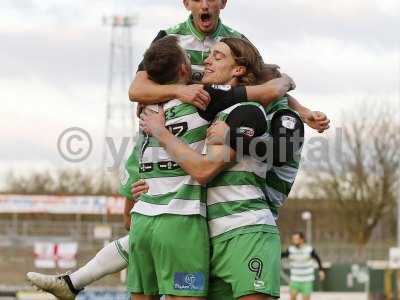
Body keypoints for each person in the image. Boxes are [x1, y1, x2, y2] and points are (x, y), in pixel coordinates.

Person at [129, 36, 294, 300]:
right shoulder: (208, 109)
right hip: (210, 236)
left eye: (217, 57)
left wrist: (290, 95)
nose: (205, 59)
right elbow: (141, 88)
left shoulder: (246, 111)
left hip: (245, 228)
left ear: (238, 69)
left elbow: (205, 171)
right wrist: (155, 184)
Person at [130, 0, 330, 133]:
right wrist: (180, 91)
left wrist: (304, 113)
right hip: (168, 129)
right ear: (186, 3)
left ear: (224, 2)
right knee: (134, 189)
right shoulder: (169, 38)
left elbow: (261, 86)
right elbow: (136, 90)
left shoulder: (238, 41)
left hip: (215, 132)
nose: (205, 5)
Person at [26, 146, 141, 300]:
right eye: (139, 119)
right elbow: (128, 221)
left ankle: (72, 283)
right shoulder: (141, 147)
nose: (141, 121)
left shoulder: (179, 137)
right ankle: (72, 283)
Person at [281, 232, 325, 300]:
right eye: (293, 239)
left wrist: (321, 270)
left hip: (307, 279)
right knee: (292, 298)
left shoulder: (309, 249)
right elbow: (280, 256)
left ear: (302, 239)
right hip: (294, 279)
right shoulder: (290, 250)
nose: (294, 240)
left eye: (296, 239)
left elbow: (318, 259)